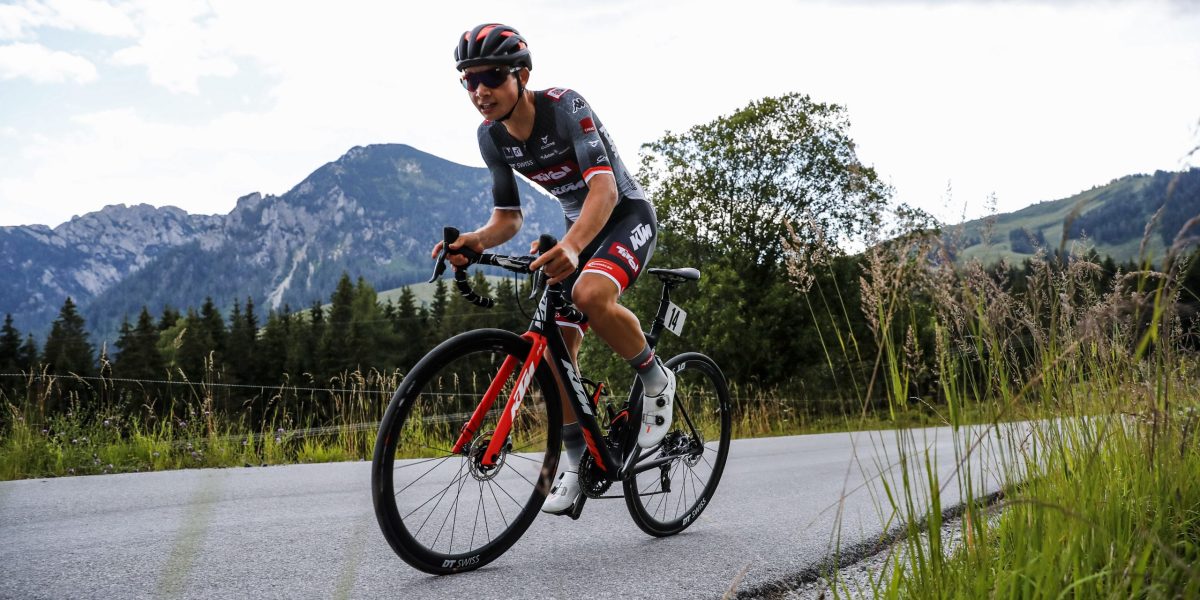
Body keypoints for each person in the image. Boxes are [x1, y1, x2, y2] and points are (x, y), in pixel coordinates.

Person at [431, 23, 675, 516]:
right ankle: (575, 461)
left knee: (588, 295)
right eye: (468, 80)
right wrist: (472, 243)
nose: (480, 91)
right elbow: (508, 219)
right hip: (577, 227)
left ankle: (657, 380)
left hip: (624, 215)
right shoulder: (490, 136)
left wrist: (571, 246)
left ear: (522, 75)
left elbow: (604, 192)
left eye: (492, 76)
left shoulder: (566, 107)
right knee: (554, 349)